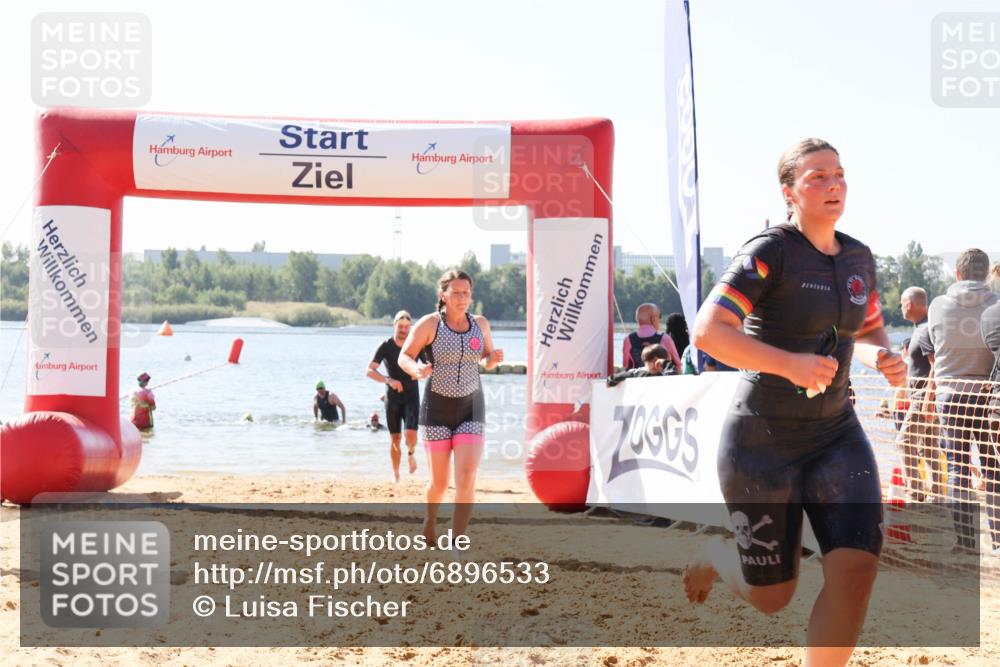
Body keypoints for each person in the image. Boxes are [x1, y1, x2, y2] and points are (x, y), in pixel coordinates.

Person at [682, 138, 907, 667]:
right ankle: (716, 554)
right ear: (789, 192)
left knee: (856, 571)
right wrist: (788, 364)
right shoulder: (770, 251)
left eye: (839, 174)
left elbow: (862, 333)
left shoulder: (858, 257)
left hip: (836, 435)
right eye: (818, 176)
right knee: (772, 597)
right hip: (762, 442)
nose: (834, 184)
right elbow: (708, 332)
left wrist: (880, 358)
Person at [398, 269, 503, 543]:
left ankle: (457, 543)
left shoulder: (480, 324)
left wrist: (492, 359)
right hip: (436, 411)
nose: (462, 298)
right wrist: (416, 369)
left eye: (466, 292)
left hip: (471, 408)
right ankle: (430, 519)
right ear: (443, 295)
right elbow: (404, 356)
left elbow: (486, 359)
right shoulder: (430, 324)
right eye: (456, 293)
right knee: (440, 484)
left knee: (466, 477)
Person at [928, 248, 999, 553]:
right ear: (986, 274)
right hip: (987, 395)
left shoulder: (938, 305)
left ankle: (965, 541)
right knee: (993, 468)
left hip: (950, 393)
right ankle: (998, 539)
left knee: (958, 467)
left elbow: (935, 343)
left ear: (958, 274)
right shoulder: (996, 304)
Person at [895, 287, 943, 501]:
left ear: (909, 305)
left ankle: (916, 493)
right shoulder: (925, 328)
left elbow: (935, 365)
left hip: (924, 397)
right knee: (930, 448)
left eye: (901, 304)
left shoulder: (924, 331)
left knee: (904, 442)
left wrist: (928, 399)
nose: (900, 308)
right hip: (928, 397)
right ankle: (937, 496)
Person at [367, 310, 428, 480]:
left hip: (411, 396)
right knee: (395, 439)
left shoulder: (415, 345)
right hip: (392, 397)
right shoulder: (386, 346)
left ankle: (411, 454)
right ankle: (396, 474)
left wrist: (420, 373)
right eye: (400, 326)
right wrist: (388, 380)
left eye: (407, 327)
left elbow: (429, 366)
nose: (403, 330)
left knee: (410, 435)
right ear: (395, 326)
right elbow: (369, 370)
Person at [623, 303, 681, 373]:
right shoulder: (665, 339)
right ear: (653, 319)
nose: (660, 320)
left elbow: (626, 365)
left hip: (638, 377)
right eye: (659, 317)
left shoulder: (628, 340)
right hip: (661, 378)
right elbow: (678, 365)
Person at [607, 344, 672, 386]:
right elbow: (617, 377)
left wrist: (664, 363)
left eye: (656, 361)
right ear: (644, 362)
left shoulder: (665, 374)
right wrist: (611, 381)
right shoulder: (638, 372)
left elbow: (673, 376)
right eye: (649, 361)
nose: (653, 365)